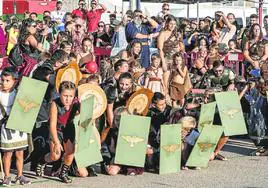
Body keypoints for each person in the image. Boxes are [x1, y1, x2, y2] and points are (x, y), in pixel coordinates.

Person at [36, 81, 80, 183]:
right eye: (65, 95)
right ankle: (42, 161)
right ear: (59, 94)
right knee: (55, 156)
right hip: (56, 130)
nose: (68, 98)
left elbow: (85, 114)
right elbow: (52, 125)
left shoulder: (76, 103)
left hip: (68, 129)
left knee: (70, 152)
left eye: (70, 96)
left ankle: (63, 173)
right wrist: (56, 142)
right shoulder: (54, 104)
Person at [0, 67, 31, 186]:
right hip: (5, 126)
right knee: (7, 153)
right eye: (2, 80)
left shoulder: (18, 93)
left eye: (7, 80)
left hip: (18, 126)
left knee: (20, 153)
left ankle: (20, 175)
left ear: (15, 81)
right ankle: (7, 176)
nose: (4, 83)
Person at [158, 15, 184, 89]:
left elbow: (181, 47)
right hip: (167, 60)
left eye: (174, 24)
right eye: (171, 24)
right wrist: (163, 62)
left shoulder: (177, 34)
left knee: (177, 82)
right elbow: (160, 49)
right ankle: (166, 97)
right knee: (166, 82)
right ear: (167, 23)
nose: (173, 26)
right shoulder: (162, 34)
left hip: (176, 60)